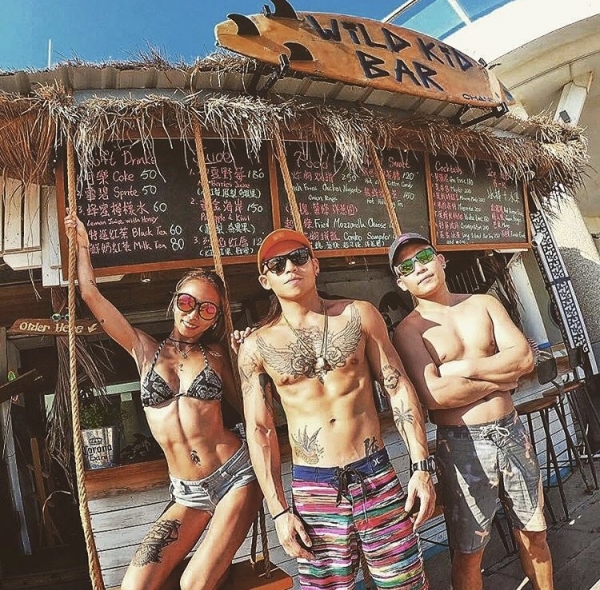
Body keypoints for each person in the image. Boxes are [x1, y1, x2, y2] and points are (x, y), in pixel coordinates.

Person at [64, 212, 262, 590]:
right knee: (134, 587)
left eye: (207, 309)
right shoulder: (143, 349)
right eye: (187, 302)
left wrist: (249, 359)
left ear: (215, 317)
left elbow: (255, 411)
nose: (194, 314)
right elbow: (90, 294)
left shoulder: (218, 355)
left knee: (194, 584)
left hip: (236, 476)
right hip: (187, 493)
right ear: (174, 302)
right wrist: (83, 247)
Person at [237, 228, 435, 590]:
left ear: (315, 265)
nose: (289, 268)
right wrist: (278, 511)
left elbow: (398, 387)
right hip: (314, 487)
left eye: (298, 257)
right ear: (266, 280)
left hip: (374, 472)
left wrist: (421, 467)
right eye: (277, 264)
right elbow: (260, 430)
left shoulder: (359, 315)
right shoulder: (256, 347)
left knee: (404, 583)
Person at [389, 233, 553, 590]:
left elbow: (524, 358)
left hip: (512, 431)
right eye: (407, 267)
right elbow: (436, 395)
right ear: (401, 282)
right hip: (461, 444)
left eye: (424, 257)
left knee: (535, 532)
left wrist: (461, 368)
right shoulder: (409, 331)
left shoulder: (484, 304)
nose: (419, 268)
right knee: (468, 552)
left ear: (441, 260)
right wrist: (502, 380)